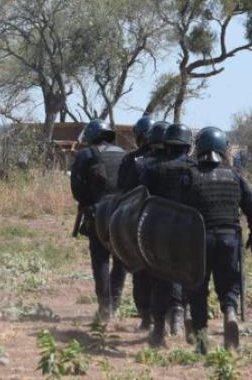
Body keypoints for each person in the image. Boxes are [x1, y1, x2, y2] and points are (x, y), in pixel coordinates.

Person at [186, 127, 252, 354]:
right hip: (230, 239)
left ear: (198, 148)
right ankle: (230, 311)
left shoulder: (191, 175)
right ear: (223, 148)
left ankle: (201, 343)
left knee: (198, 289)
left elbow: (179, 209)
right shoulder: (234, 176)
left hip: (200, 241)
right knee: (229, 283)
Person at [138, 123, 196, 347]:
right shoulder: (194, 167)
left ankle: (159, 330)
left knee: (160, 280)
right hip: (188, 231)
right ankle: (183, 317)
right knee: (188, 277)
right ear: (187, 145)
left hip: (158, 231)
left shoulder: (150, 167)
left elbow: (142, 197)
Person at [71, 119, 127, 320]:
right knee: (121, 257)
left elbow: (77, 190)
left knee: (100, 257)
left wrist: (88, 204)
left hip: (98, 213)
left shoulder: (85, 154)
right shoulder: (124, 154)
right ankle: (116, 301)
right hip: (124, 213)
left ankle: (105, 306)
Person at [118, 115, 158, 331]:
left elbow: (123, 191)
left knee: (140, 272)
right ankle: (174, 316)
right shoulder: (169, 159)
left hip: (137, 223)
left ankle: (146, 318)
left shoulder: (131, 160)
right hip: (166, 225)